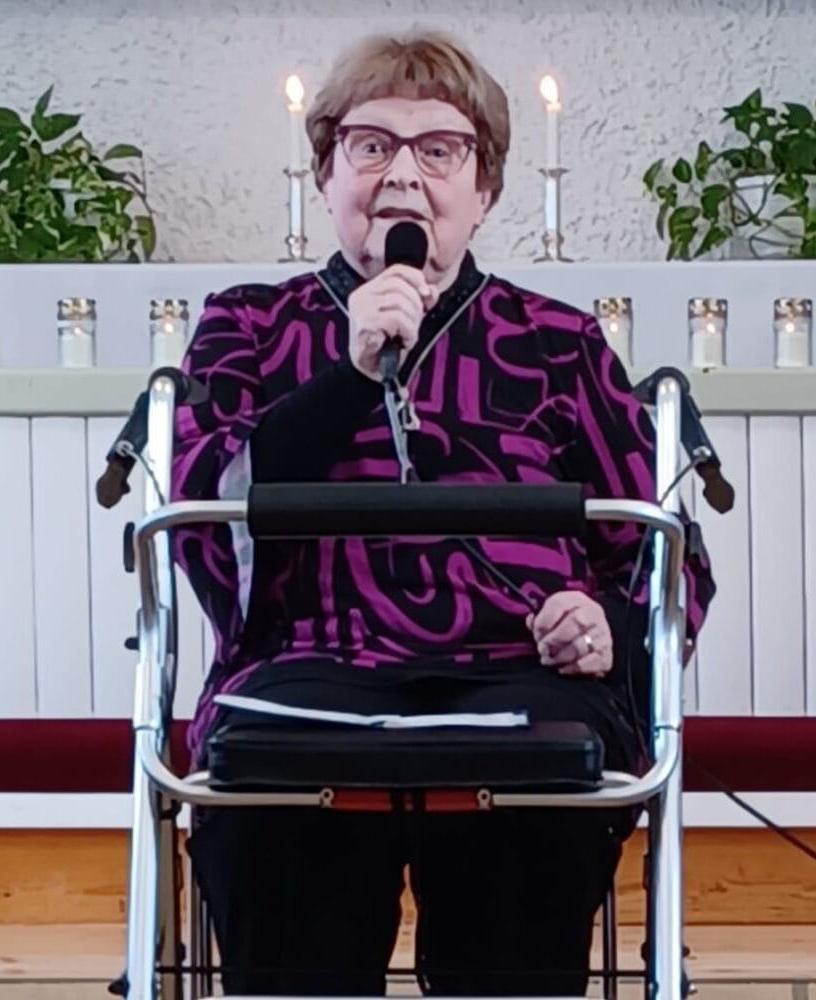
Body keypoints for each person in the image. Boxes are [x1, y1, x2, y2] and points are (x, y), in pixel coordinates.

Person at [172, 30, 716, 997]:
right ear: (327, 173)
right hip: (307, 666)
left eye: (439, 149)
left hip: (523, 677)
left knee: (530, 847)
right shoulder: (247, 324)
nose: (402, 175)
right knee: (271, 827)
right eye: (370, 144)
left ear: (484, 186)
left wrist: (605, 622)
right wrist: (349, 376)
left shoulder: (559, 343)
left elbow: (662, 552)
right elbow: (205, 509)